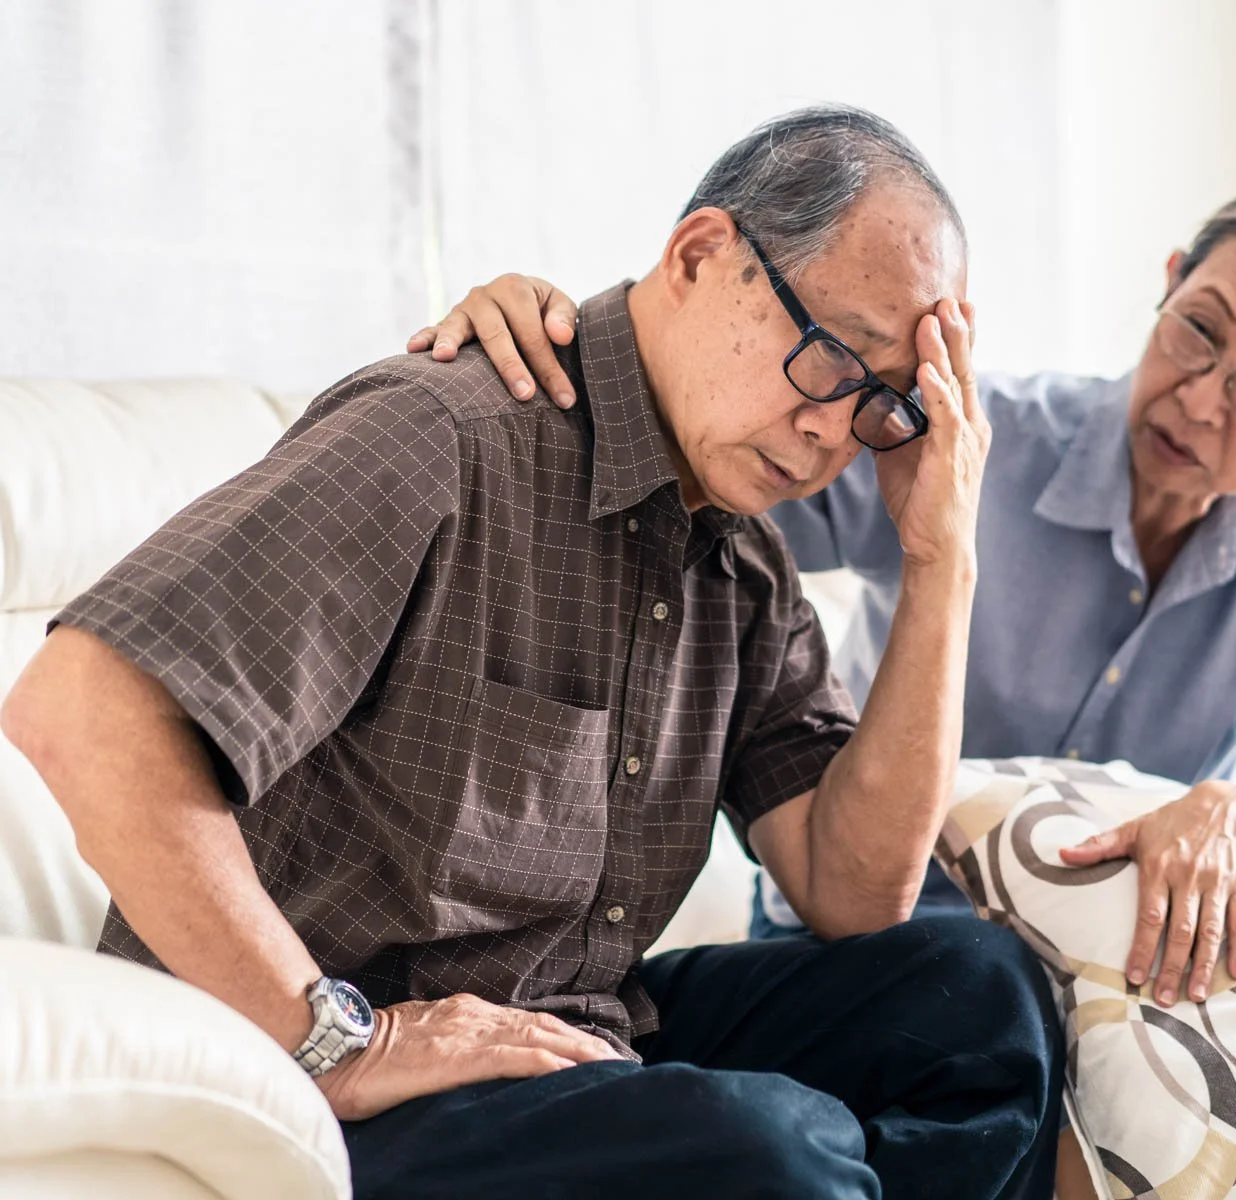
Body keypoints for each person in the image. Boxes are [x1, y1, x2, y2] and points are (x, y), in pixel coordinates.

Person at [0, 106, 1065, 1199]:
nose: (836, 431)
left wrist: (944, 556)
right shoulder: (447, 434)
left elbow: (856, 892)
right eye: (835, 358)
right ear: (703, 256)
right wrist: (336, 1038)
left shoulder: (743, 564)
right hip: (331, 1061)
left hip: (575, 1046)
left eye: (886, 404)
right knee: (772, 1152)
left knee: (972, 995)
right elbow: (79, 705)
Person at [418, 177, 1236, 1014]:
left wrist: (1235, 807)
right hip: (887, 941)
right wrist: (555, 340)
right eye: (1198, 332)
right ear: (1169, 284)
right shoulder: (962, 438)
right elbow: (703, 469)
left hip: (1108, 962)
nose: (1203, 396)